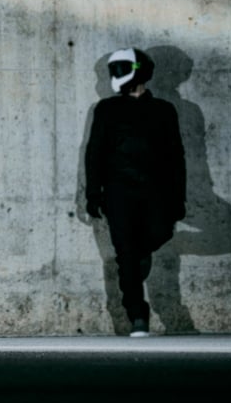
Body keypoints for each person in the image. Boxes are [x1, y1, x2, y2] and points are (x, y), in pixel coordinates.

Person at [85, 47, 186, 337]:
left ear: (139, 69)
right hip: (119, 193)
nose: (114, 76)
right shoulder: (106, 109)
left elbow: (176, 156)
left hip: (157, 193)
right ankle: (137, 316)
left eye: (119, 69)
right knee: (126, 255)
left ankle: (137, 256)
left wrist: (178, 196)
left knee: (153, 238)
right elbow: (95, 154)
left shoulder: (164, 110)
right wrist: (93, 193)